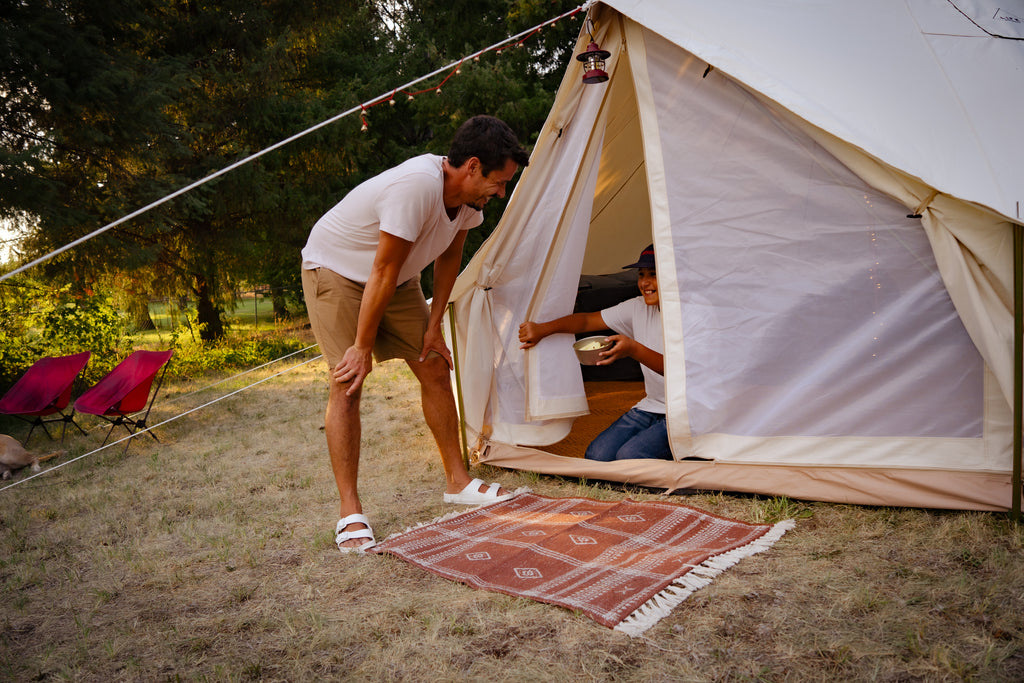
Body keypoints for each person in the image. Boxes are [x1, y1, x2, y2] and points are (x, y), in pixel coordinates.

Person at [301, 115, 530, 553]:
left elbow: (448, 259)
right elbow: (381, 269)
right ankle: (350, 511)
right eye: (499, 183)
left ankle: (457, 481)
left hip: (396, 277)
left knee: (434, 365)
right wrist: (362, 347)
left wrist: (433, 325)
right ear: (473, 167)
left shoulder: (469, 204)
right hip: (337, 271)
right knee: (348, 383)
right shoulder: (416, 187)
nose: (501, 193)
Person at [518, 244, 670, 462]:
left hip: (685, 413)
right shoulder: (638, 307)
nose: (645, 283)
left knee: (631, 456)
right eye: (641, 275)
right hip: (651, 406)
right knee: (597, 455)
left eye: (653, 275)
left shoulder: (688, 315)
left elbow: (680, 374)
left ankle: (696, 456)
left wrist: (633, 348)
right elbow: (587, 320)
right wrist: (543, 329)